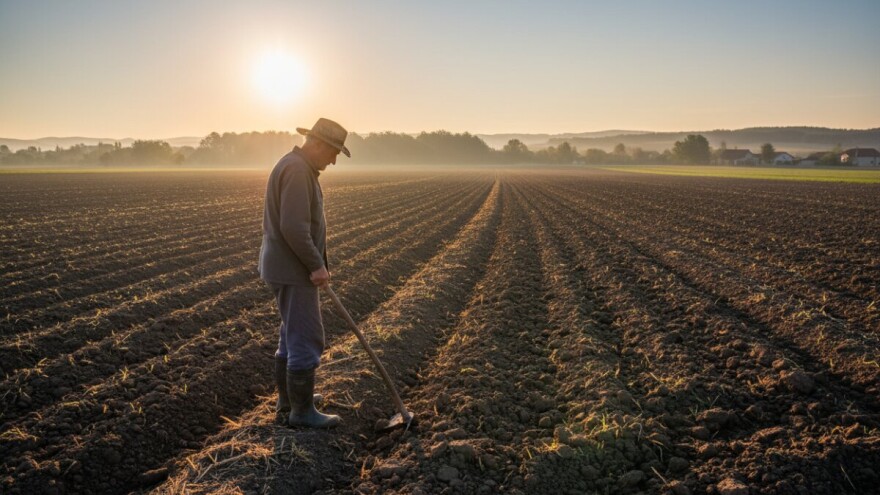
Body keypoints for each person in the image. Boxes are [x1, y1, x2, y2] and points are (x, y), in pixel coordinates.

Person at [259, 117, 351, 428]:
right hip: (293, 269)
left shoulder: (295, 165)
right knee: (306, 336)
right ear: (317, 144)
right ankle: (301, 413)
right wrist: (316, 265)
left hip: (285, 266)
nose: (334, 160)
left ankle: (290, 404)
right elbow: (294, 227)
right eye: (333, 152)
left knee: (290, 335)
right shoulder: (297, 170)